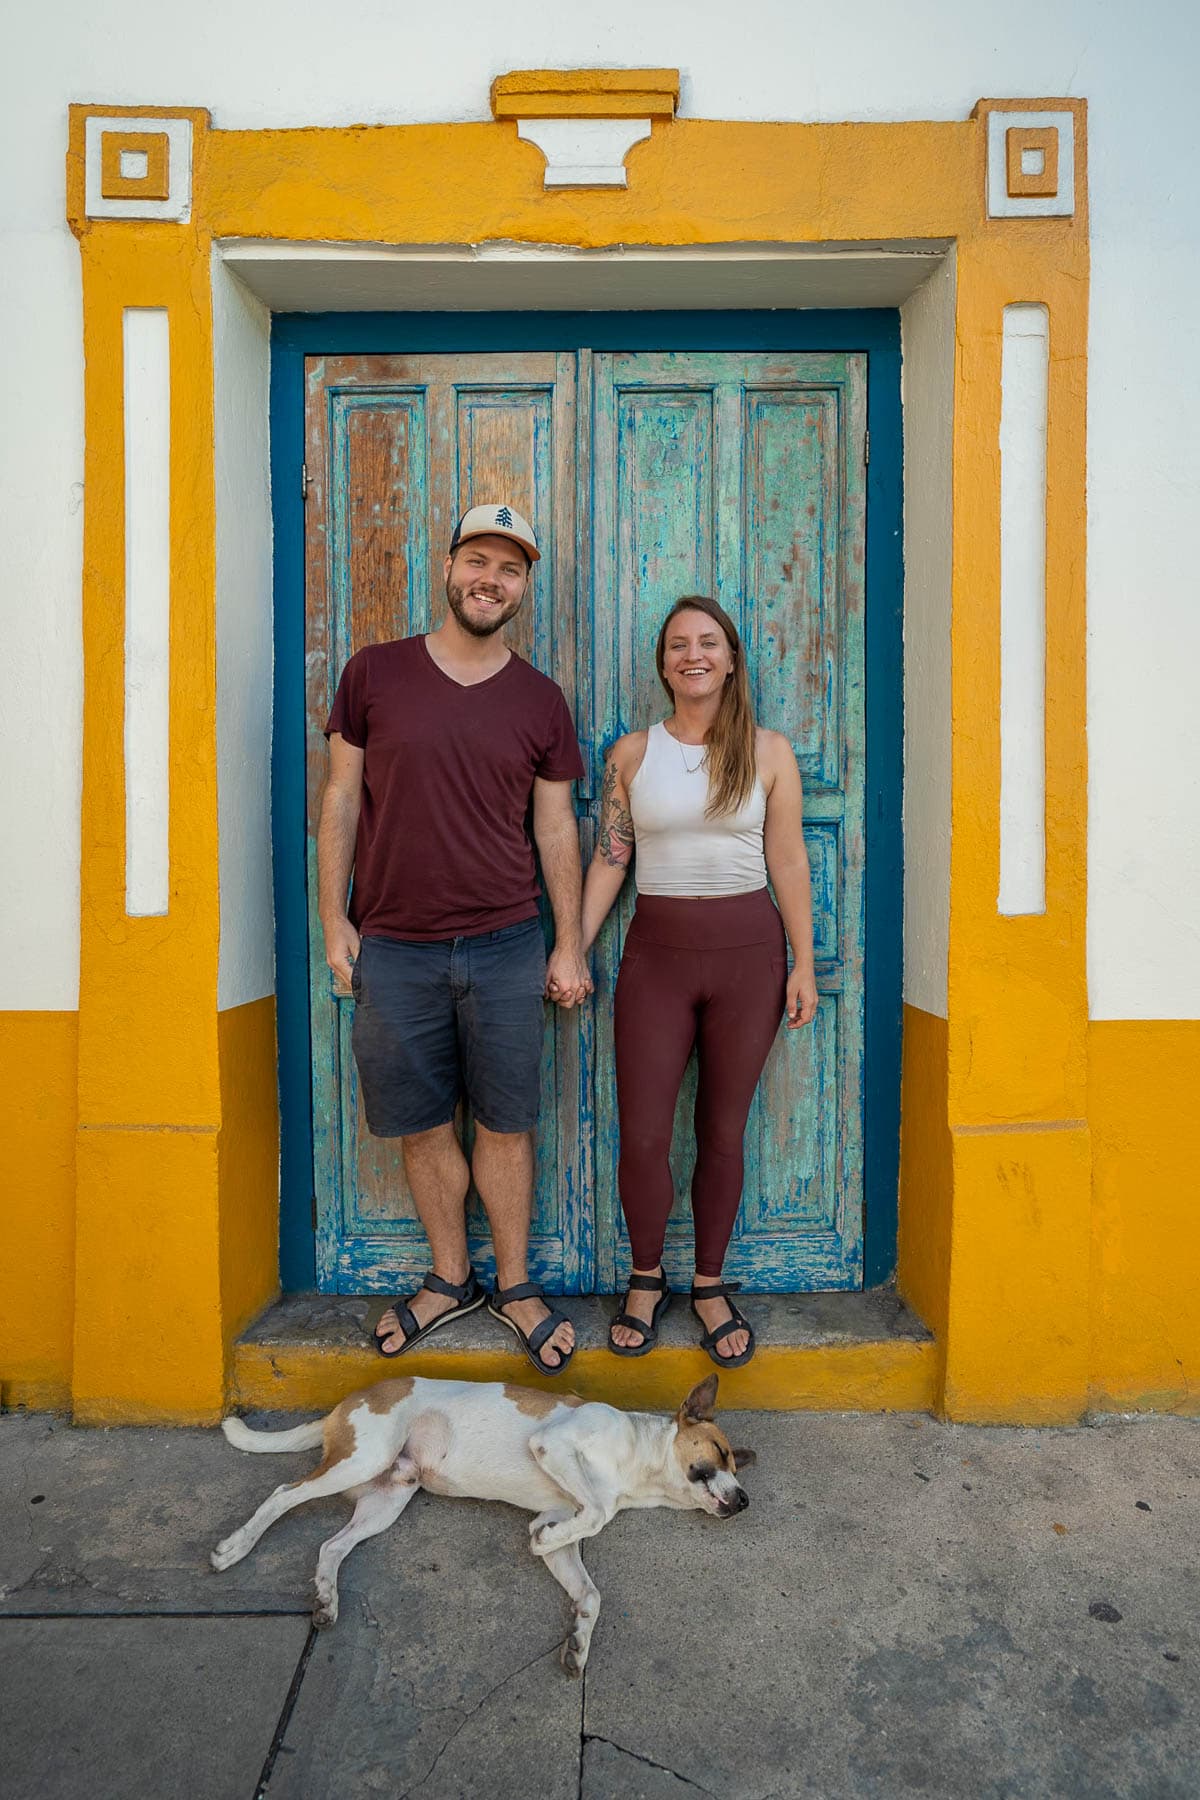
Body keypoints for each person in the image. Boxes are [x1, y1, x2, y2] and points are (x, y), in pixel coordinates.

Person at [318, 504, 591, 1374]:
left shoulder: (541, 700)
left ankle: (514, 1285)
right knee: (421, 1124)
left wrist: (569, 943)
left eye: (509, 570)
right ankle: (448, 1278)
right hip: (394, 947)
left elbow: (555, 830)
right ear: (448, 567)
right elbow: (342, 801)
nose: (491, 580)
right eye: (478, 560)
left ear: (523, 589)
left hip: (509, 942)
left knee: (508, 1125)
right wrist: (334, 917)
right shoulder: (374, 675)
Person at [580, 595, 818, 1366]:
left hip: (750, 960)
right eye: (678, 644)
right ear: (663, 663)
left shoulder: (768, 752)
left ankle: (710, 1285)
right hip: (657, 960)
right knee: (645, 1135)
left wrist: (805, 964)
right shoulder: (631, 755)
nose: (694, 654)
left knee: (722, 1132)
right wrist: (572, 949)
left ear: (731, 657)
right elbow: (612, 858)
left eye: (708, 642)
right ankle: (646, 1279)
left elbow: (787, 860)